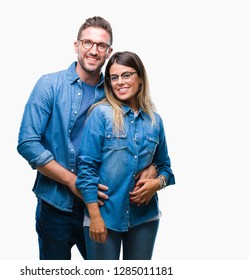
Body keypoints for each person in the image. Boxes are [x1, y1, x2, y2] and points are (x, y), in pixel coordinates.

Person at [17, 17, 158, 260]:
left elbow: (142, 134)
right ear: (76, 45)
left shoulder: (117, 89)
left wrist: (154, 168)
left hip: (102, 207)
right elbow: (28, 143)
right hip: (55, 205)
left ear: (108, 52)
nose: (93, 50)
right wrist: (73, 182)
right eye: (88, 42)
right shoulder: (49, 85)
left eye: (101, 45)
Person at [76, 51, 176, 260]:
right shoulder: (100, 114)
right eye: (114, 77)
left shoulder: (154, 121)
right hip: (104, 217)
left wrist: (157, 183)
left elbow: (165, 166)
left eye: (127, 75)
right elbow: (86, 168)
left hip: (144, 218)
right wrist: (94, 215)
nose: (120, 82)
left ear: (140, 78)